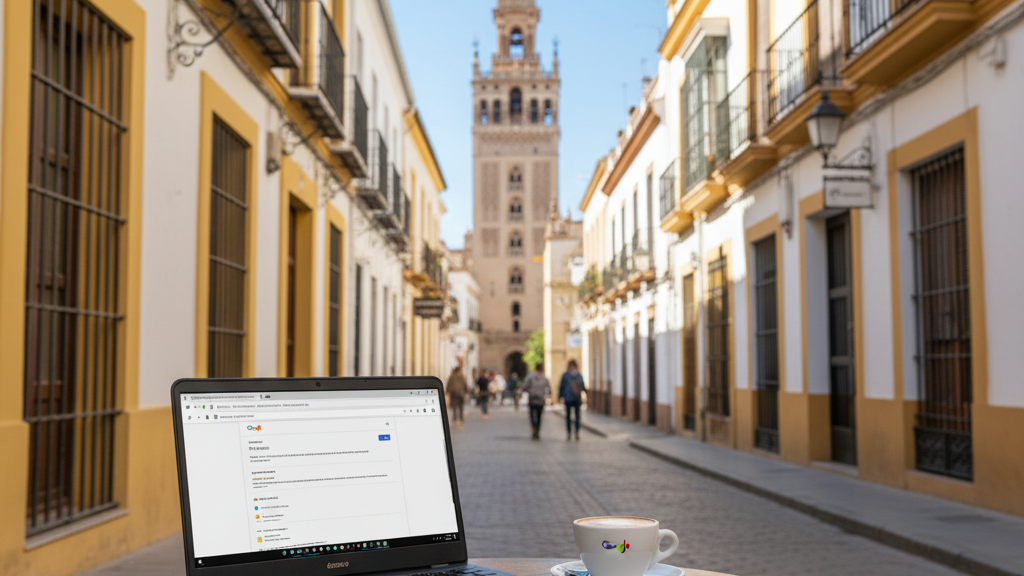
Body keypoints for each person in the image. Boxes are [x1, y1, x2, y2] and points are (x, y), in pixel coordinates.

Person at [520, 363, 550, 440]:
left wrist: (529, 391)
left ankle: (534, 429)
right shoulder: (544, 378)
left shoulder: (530, 377)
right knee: (539, 416)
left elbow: (524, 387)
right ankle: (538, 431)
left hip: (532, 399)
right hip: (540, 400)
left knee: (532, 416)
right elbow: (548, 388)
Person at [559, 359, 586, 440]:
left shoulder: (565, 375)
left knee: (568, 416)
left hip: (567, 398)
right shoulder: (579, 375)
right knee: (577, 416)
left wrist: (560, 396)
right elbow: (582, 386)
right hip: (577, 398)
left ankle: (569, 433)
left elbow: (561, 386)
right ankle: (577, 432)